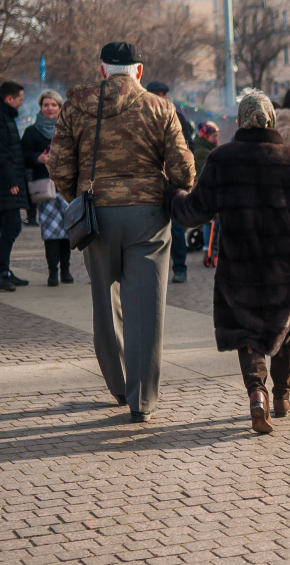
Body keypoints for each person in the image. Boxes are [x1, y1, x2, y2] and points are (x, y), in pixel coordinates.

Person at [164, 88, 290, 434]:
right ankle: (282, 398)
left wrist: (170, 195)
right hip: (284, 269)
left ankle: (257, 393)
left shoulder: (222, 159)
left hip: (238, 268)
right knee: (286, 331)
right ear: (271, 120)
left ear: (241, 121)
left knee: (248, 333)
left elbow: (194, 211)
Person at [47, 41, 195, 422]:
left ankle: (116, 384)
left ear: (102, 71)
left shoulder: (76, 105)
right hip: (148, 216)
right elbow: (183, 170)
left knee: (104, 303)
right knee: (145, 309)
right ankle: (141, 399)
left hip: (97, 216)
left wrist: (79, 198)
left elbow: (59, 164)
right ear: (139, 71)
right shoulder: (160, 108)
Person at [22, 90, 73, 286]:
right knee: (51, 232)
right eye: (46, 105)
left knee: (68, 231)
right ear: (40, 107)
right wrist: (38, 158)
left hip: (66, 187)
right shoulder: (31, 132)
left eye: (53, 104)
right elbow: (22, 155)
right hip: (45, 188)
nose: (49, 108)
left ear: (60, 107)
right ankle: (53, 272)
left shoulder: (68, 130)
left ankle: (66, 270)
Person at [147, 80, 193, 283]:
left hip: (173, 183)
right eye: (157, 94)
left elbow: (188, 148)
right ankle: (154, 269)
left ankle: (180, 267)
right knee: (149, 229)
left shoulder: (178, 117)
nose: (162, 98)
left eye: (164, 94)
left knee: (177, 228)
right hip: (148, 183)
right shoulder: (142, 118)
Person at [0, 80, 30, 292]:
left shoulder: (6, 117)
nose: (22, 103)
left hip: (8, 183)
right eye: (20, 99)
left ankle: (5, 270)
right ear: (9, 99)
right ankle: (2, 272)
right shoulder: (2, 119)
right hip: (5, 185)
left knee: (10, 228)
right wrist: (11, 181)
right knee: (11, 227)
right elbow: (2, 153)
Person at [194, 121, 219, 250]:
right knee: (211, 219)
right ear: (206, 136)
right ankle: (207, 245)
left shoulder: (209, 149)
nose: (216, 139)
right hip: (206, 189)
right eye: (214, 136)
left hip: (208, 188)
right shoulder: (202, 152)